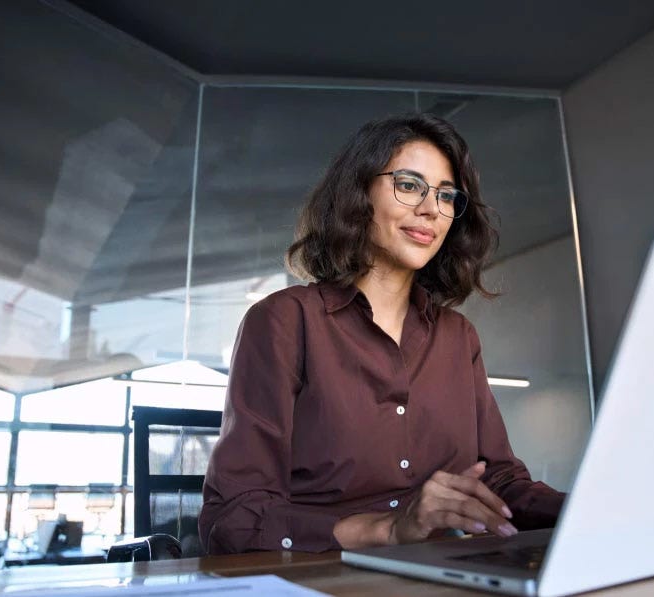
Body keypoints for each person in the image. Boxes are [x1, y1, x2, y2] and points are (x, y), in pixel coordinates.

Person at [199, 113, 565, 554]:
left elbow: (500, 481)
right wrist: (386, 529)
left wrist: (593, 507)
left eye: (446, 195)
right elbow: (234, 517)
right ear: (359, 193)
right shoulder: (284, 321)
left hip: (446, 572)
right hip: (325, 576)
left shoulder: (458, 336)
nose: (431, 209)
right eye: (409, 185)